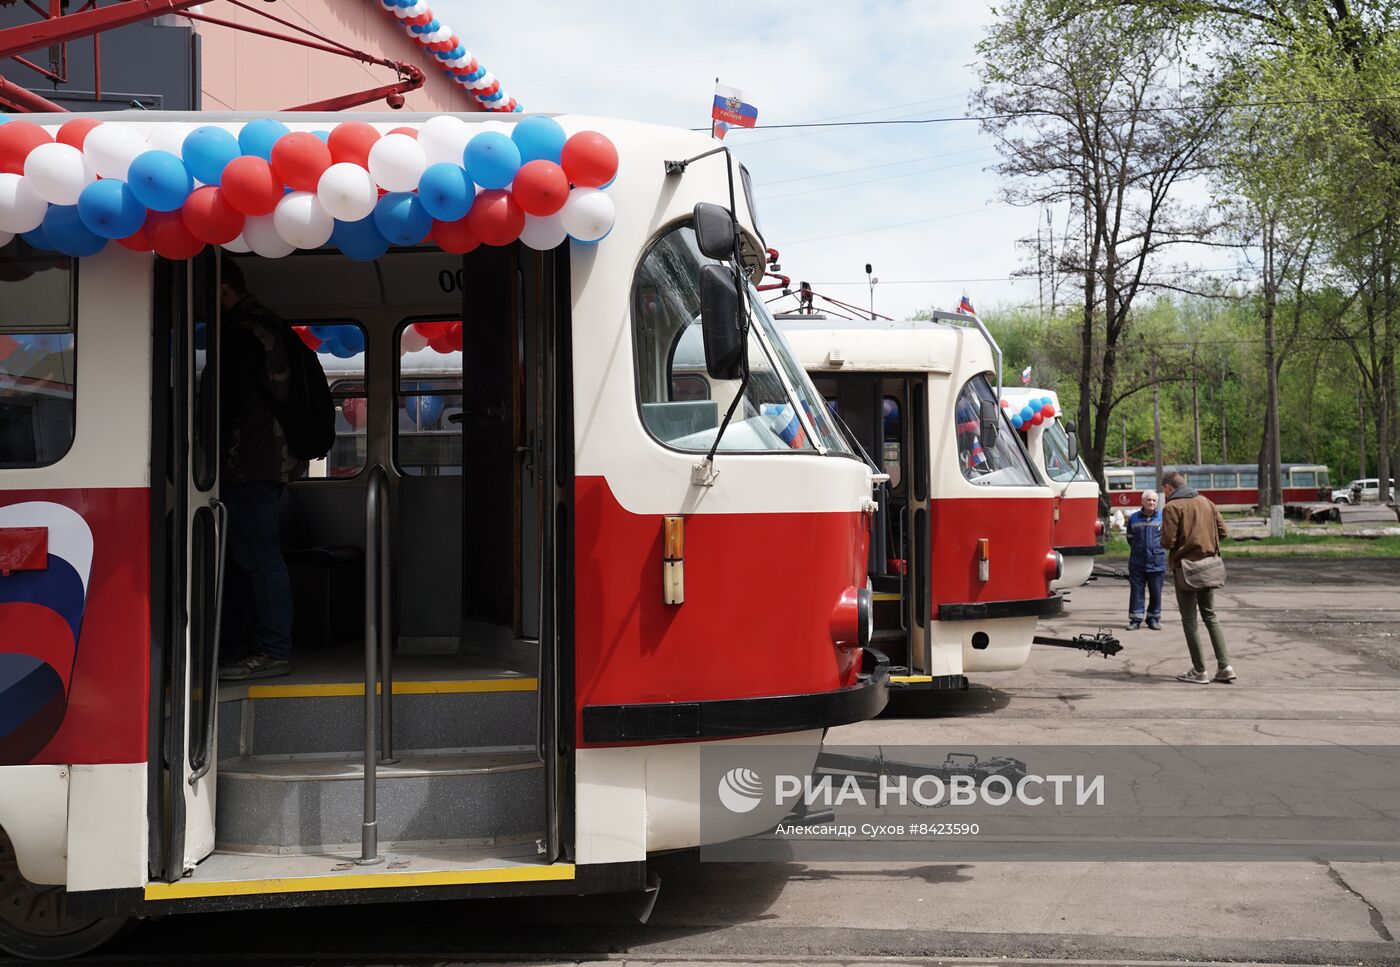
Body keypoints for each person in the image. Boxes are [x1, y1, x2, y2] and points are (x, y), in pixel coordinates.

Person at [217, 258, 306, 681]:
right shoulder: (264, 327)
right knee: (251, 559)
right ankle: (251, 646)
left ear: (222, 292)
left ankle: (272, 649)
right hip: (263, 462)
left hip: (249, 464)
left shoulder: (241, 336)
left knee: (260, 560)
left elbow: (224, 408)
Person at [1160, 469, 1235, 684]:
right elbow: (1224, 532)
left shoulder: (1172, 507)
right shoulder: (1206, 502)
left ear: (1168, 487)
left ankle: (1199, 670)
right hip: (1210, 566)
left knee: (1190, 619)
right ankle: (1225, 666)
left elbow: (1167, 541)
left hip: (1186, 569)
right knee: (1210, 615)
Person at [1125, 489, 1165, 630]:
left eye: (1154, 500)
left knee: (1156, 592)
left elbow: (1167, 538)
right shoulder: (1134, 518)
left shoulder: (1163, 517)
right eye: (1148, 500)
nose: (1151, 502)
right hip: (1137, 562)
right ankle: (1136, 619)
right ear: (1142, 502)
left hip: (1157, 562)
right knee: (1136, 592)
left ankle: (1153, 618)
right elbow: (1130, 538)